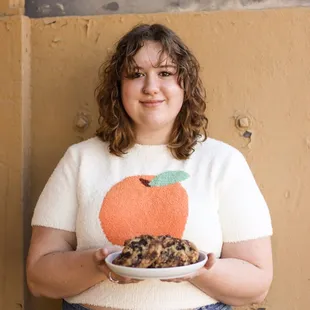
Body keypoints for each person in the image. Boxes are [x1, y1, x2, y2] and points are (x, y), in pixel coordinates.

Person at [26, 23, 273, 310]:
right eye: (136, 74)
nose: (151, 87)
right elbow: (38, 277)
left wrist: (195, 267)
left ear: (185, 85)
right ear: (118, 88)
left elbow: (257, 285)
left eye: (165, 73)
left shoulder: (222, 161)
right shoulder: (80, 159)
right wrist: (100, 265)